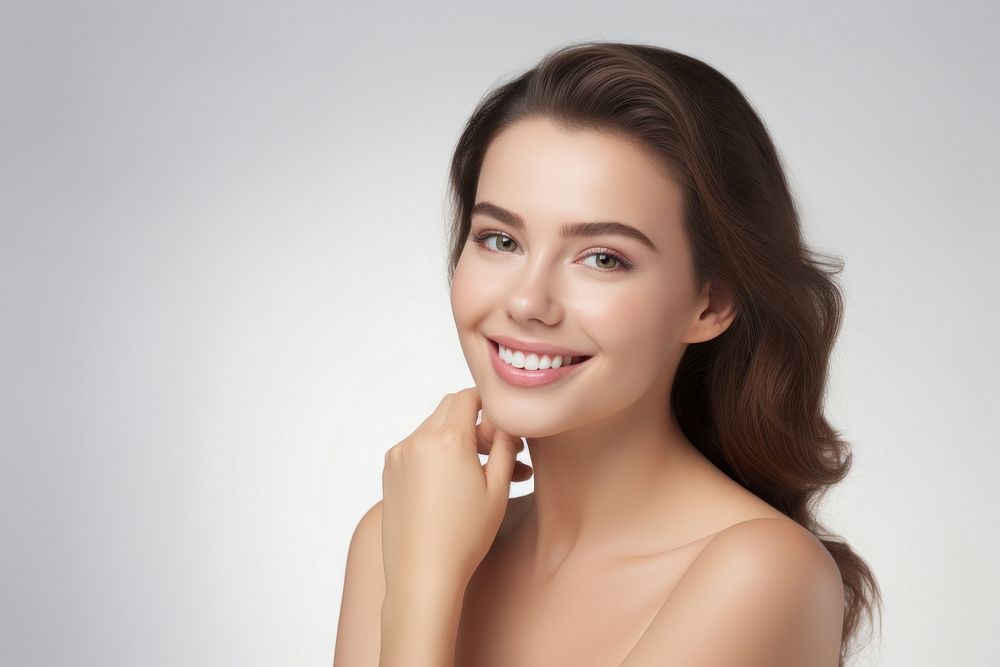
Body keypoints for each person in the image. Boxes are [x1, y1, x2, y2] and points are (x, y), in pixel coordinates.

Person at [334, 40, 881, 666]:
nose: (528, 301)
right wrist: (418, 567)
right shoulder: (398, 535)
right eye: (499, 239)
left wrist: (424, 590)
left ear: (710, 304)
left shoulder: (763, 573)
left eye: (603, 258)